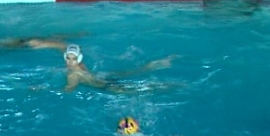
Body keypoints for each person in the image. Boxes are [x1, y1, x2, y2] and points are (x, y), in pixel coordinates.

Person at [48, 44, 177, 93]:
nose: (70, 62)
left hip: (105, 85)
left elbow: (68, 90)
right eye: (68, 58)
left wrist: (46, 89)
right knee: (135, 71)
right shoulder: (80, 65)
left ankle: (168, 86)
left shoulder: (72, 75)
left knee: (138, 90)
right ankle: (155, 65)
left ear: (79, 58)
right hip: (102, 75)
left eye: (73, 59)